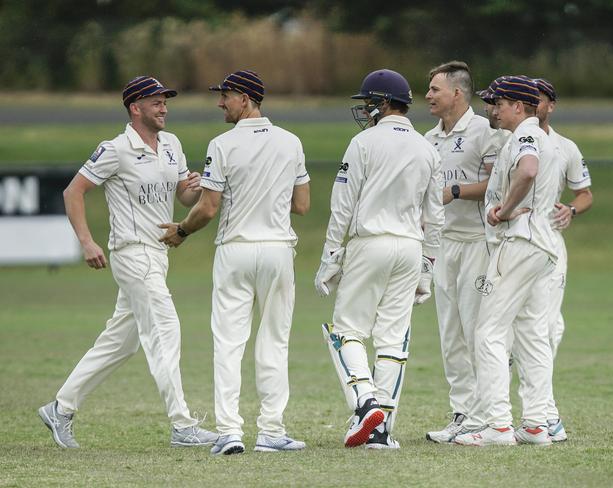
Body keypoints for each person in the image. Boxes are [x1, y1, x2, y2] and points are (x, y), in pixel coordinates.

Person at [38, 76, 219, 449]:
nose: (164, 107)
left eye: (165, 101)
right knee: (165, 328)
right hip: (132, 252)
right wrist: (87, 242)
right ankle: (182, 426)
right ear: (135, 108)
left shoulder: (172, 144)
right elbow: (73, 192)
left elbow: (183, 197)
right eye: (156, 102)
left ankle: (61, 407)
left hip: (159, 253)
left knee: (121, 343)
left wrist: (196, 187)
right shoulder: (115, 149)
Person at [159, 70, 310, 456]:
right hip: (277, 250)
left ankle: (229, 432)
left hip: (235, 250)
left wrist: (182, 231)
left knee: (228, 342)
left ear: (245, 98)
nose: (219, 103)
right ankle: (272, 432)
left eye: (225, 96)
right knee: (274, 342)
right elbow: (302, 205)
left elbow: (208, 208)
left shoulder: (222, 144)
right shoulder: (291, 142)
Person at [315, 68, 444, 449]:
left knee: (346, 331)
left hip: (369, 243)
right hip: (409, 247)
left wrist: (330, 259)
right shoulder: (427, 147)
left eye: (370, 101)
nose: (366, 109)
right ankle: (380, 431)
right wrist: (427, 269)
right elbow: (434, 217)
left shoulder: (364, 143)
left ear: (385, 103)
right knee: (392, 340)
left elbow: (342, 206)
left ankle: (366, 402)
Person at [454, 75, 559, 446]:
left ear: (519, 106)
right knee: (531, 334)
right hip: (542, 247)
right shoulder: (543, 137)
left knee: (489, 332)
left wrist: (504, 209)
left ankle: (498, 425)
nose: (492, 109)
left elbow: (528, 171)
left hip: (520, 242)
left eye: (498, 103)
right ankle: (535, 424)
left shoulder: (526, 136)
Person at [421, 61, 507, 443]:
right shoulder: (428, 138)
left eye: (435, 89)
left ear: (457, 93)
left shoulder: (485, 132)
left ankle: (488, 416)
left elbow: (494, 183)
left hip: (477, 243)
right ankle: (463, 413)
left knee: (476, 330)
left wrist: (454, 192)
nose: (428, 96)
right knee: (450, 332)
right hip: (444, 243)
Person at [534, 77, 593, 441]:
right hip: (510, 241)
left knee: (550, 327)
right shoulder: (509, 141)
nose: (532, 104)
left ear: (551, 105)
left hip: (551, 243)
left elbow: (584, 193)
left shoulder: (565, 147)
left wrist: (571, 208)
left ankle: (544, 412)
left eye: (538, 99)